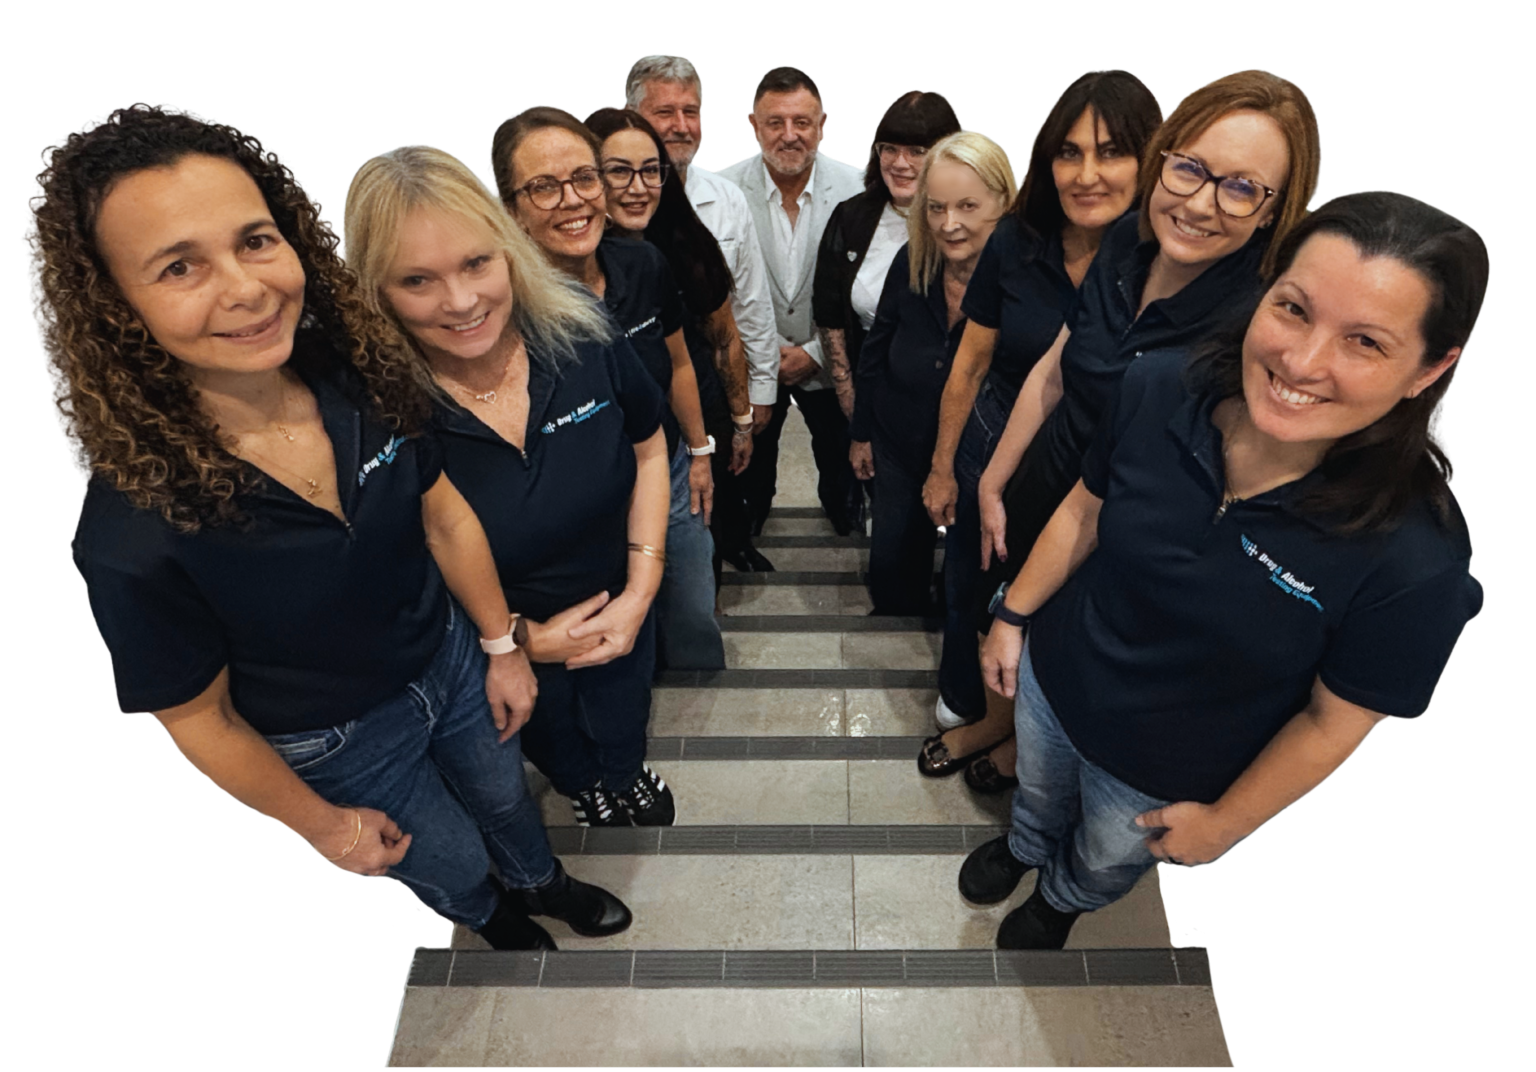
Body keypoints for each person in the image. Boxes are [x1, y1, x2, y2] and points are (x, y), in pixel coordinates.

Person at [31, 102, 630, 949]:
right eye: (179, 266)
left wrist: (501, 646)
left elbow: (442, 514)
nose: (246, 288)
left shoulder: (353, 372)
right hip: (336, 735)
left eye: (255, 240)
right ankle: (491, 914)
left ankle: (543, 882)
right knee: (445, 853)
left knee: (506, 799)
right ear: (113, 305)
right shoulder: (134, 529)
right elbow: (199, 719)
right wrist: (325, 825)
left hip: (450, 661)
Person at [963, 189, 1487, 950]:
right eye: (1294, 309)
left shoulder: (1416, 558)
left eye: (1365, 342)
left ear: (1429, 368)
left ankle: (1062, 896)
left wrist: (1227, 822)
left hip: (1165, 769)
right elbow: (1085, 509)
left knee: (1105, 855)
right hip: (1056, 682)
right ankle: (1024, 846)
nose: (1302, 362)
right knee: (1037, 793)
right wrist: (1013, 615)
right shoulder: (1159, 386)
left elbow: (1331, 720)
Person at [934, 69, 1321, 794]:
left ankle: (1024, 755)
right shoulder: (1125, 242)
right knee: (999, 610)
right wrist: (993, 479)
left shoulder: (1254, 319)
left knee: (1056, 649)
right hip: (1047, 474)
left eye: (1241, 188)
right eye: (1191, 168)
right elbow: (1056, 365)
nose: (1199, 204)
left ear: (1275, 210)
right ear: (1165, 158)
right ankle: (995, 725)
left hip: (1121, 521)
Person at [344, 138, 678, 827]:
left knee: (626, 711)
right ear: (376, 292)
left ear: (509, 249)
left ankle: (625, 773)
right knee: (551, 740)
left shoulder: (577, 328)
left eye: (476, 263)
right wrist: (520, 639)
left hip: (621, 601)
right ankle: (586, 787)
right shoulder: (374, 409)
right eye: (418, 280)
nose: (462, 302)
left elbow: (648, 447)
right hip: (495, 640)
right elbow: (399, 569)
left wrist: (641, 591)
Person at [920, 71, 1164, 741]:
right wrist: (943, 466)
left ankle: (1033, 741)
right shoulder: (1017, 239)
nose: (1086, 175)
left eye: (1111, 152)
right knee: (973, 583)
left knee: (1064, 607)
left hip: (1098, 464)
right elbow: (971, 363)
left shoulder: (1169, 259)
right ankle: (974, 708)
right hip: (997, 435)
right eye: (1068, 153)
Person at [491, 106, 725, 676]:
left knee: (692, 606)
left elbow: (679, 363)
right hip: (581, 498)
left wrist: (700, 451)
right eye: (544, 187)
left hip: (666, 469)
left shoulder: (642, 264)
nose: (573, 201)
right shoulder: (501, 306)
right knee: (598, 638)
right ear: (511, 208)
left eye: (584, 178)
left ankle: (693, 695)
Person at [584, 107, 759, 595]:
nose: (638, 188)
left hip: (693, 416)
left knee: (697, 549)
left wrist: (740, 421)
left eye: (651, 171)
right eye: (619, 171)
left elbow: (724, 336)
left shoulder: (684, 241)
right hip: (611, 444)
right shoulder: (573, 261)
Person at [847, 131, 1016, 616]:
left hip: (980, 453)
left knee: (972, 572)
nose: (949, 224)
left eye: (967, 206)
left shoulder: (1023, 280)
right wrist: (861, 433)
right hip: (899, 439)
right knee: (892, 567)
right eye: (936, 208)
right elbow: (877, 348)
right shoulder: (913, 259)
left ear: (1003, 203)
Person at [627, 54, 781, 570]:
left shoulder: (726, 198)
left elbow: (751, 305)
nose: (681, 125)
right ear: (633, 118)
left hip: (710, 376)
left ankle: (728, 548)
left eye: (691, 112)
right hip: (640, 389)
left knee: (722, 485)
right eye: (664, 112)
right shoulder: (607, 204)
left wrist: (757, 395)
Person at [719, 66, 866, 536]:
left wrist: (815, 352)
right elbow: (717, 291)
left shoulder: (859, 191)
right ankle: (751, 521)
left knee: (841, 466)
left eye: (802, 122)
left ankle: (843, 517)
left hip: (831, 364)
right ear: (753, 125)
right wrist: (766, 354)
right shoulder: (722, 193)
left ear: (822, 126)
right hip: (751, 365)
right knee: (752, 472)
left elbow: (867, 288)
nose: (789, 135)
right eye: (775, 122)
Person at [816, 90, 961, 560]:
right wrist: (855, 411)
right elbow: (831, 316)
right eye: (889, 148)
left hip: (958, 400)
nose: (900, 163)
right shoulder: (853, 217)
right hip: (880, 402)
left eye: (917, 150)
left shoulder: (968, 224)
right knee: (896, 543)